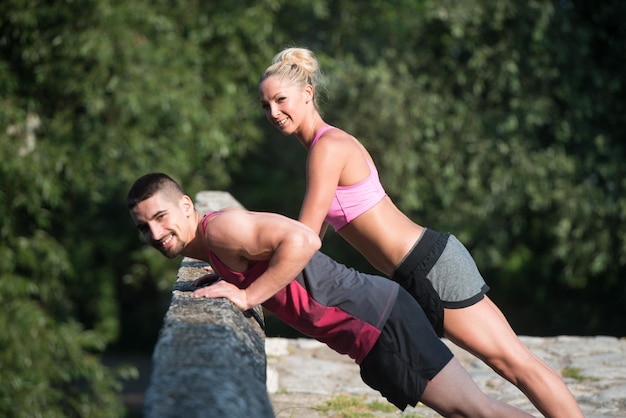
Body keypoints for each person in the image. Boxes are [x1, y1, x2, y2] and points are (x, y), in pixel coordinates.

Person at [258, 47, 583, 418]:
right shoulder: (325, 147)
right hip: (417, 270)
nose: (273, 112)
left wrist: (246, 274)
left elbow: (306, 238)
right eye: (265, 105)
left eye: (280, 100)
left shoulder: (327, 148)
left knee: (514, 363)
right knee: (481, 391)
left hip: (429, 265)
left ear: (308, 93)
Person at [127, 172, 533, 418]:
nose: (156, 234)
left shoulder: (221, 230)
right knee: (468, 410)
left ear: (184, 206)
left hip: (377, 319)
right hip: (374, 320)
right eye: (145, 228)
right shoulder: (214, 244)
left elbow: (303, 240)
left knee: (473, 409)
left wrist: (248, 297)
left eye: (161, 218)